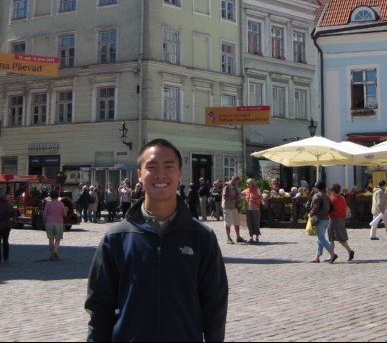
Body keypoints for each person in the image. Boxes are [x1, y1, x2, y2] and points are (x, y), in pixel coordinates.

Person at [85, 138, 228, 342]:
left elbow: (214, 306)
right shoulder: (116, 238)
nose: (160, 174)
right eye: (151, 167)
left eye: (169, 166)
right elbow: (99, 307)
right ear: (140, 175)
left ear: (179, 174)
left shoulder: (201, 238)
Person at [308, 180, 335, 263]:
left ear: (317, 187)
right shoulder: (327, 196)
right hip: (326, 219)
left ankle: (332, 254)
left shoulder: (317, 196)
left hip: (320, 219)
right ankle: (317, 257)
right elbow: (331, 208)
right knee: (319, 238)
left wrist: (310, 214)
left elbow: (315, 207)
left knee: (321, 238)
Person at [328, 183, 354, 261]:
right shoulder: (342, 198)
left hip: (333, 220)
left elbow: (329, 211)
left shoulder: (332, 200)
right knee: (341, 238)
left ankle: (331, 255)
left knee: (331, 239)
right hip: (341, 219)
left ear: (332, 191)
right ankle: (349, 251)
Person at [43, 190, 67, 260]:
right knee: (58, 238)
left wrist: (44, 221)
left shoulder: (48, 204)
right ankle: (55, 250)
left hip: (49, 222)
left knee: (50, 239)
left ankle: (52, 254)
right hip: (59, 222)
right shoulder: (61, 204)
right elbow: (64, 214)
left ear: (51, 196)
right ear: (58, 196)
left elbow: (45, 214)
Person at [0, 193, 14, 263]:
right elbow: (13, 214)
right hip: (6, 226)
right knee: (5, 241)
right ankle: (6, 257)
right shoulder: (9, 206)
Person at [222, 174, 244, 244]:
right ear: (234, 180)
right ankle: (228, 238)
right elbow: (225, 197)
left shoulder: (235, 186)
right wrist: (235, 198)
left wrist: (240, 196)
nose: (238, 183)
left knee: (237, 222)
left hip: (234, 207)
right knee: (228, 223)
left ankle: (238, 237)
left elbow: (236, 195)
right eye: (237, 182)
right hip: (227, 207)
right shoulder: (227, 186)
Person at [243, 178, 262, 243]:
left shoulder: (257, 190)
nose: (247, 185)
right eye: (247, 183)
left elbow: (261, 197)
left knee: (256, 222)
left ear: (252, 184)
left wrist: (256, 200)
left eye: (249, 183)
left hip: (255, 209)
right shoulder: (246, 190)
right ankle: (251, 237)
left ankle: (257, 236)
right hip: (248, 209)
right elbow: (240, 194)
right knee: (249, 223)